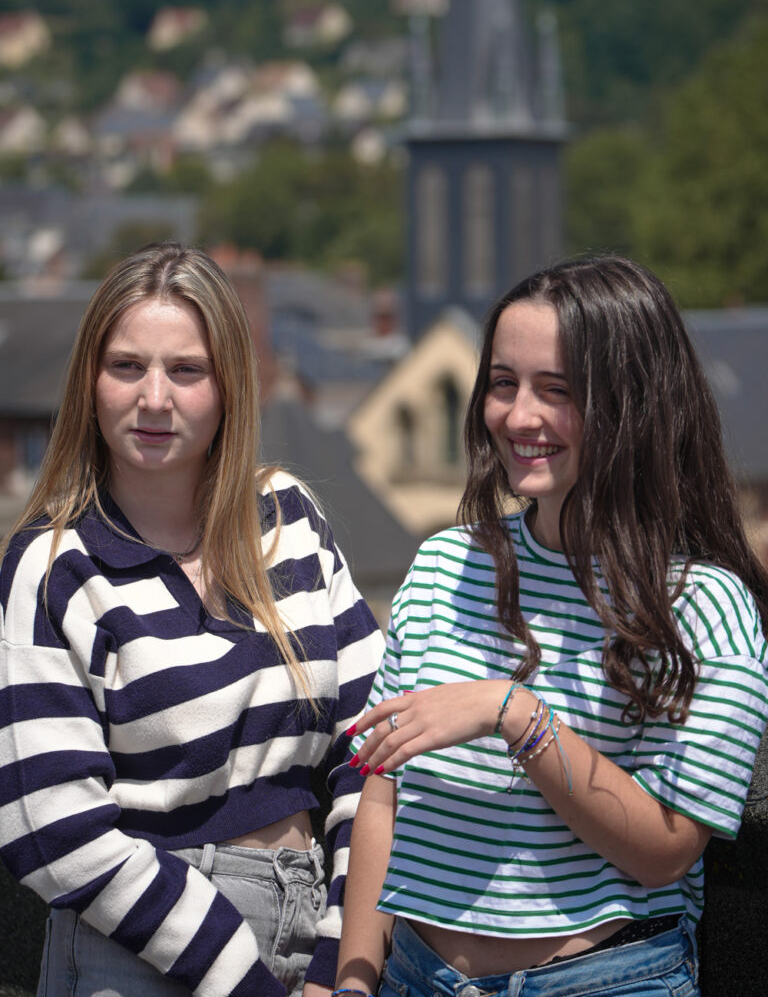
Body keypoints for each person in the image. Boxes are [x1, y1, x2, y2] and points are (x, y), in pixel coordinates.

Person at [333, 256, 768, 997]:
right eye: (504, 383)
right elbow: (383, 794)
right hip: (414, 975)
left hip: (605, 981)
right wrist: (353, 980)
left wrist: (516, 715)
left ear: (633, 405)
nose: (518, 416)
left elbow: (664, 851)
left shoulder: (702, 605)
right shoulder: (443, 565)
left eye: (557, 390)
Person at [0, 242, 383, 997]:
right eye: (126, 367)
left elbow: (373, 745)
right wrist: (238, 976)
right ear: (89, 382)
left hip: (312, 929)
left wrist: (344, 960)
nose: (154, 398)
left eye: (186, 370)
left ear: (229, 385)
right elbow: (50, 825)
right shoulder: (53, 567)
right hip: (136, 949)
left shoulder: (288, 519)